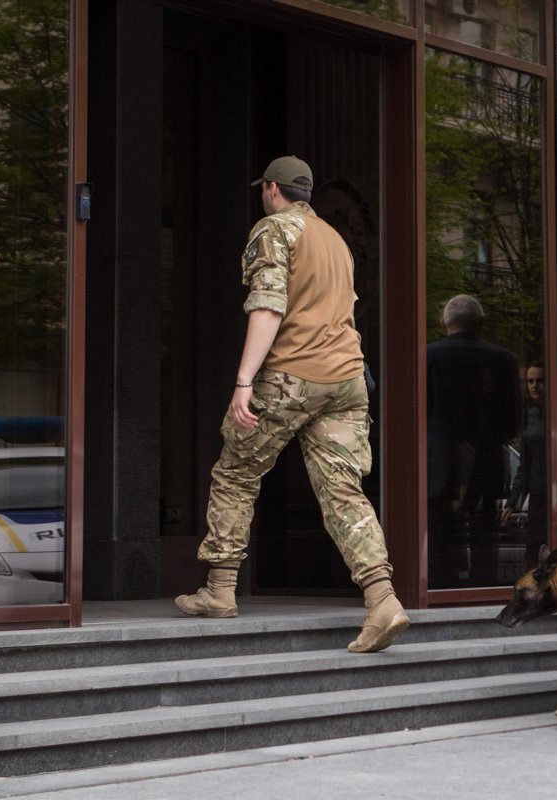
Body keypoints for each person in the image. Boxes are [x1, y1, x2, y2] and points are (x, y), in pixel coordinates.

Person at [175, 156, 409, 654]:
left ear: (273, 189)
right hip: (346, 379)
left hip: (291, 375)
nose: (263, 194)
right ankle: (382, 598)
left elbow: (268, 304)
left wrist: (243, 380)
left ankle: (219, 589)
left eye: (264, 188)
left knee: (237, 471)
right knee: (343, 493)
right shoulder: (335, 241)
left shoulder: (274, 229)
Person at [426, 295, 520, 587]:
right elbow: (513, 420)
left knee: (440, 532)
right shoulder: (504, 359)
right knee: (485, 535)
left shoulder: (427, 356)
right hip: (487, 461)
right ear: (480, 323)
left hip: (438, 464)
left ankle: (441, 584)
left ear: (444, 323)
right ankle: (484, 585)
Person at [500, 362, 547, 569]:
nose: (535, 386)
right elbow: (524, 464)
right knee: (534, 545)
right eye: (530, 381)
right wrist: (512, 501)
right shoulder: (529, 416)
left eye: (540, 381)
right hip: (538, 492)